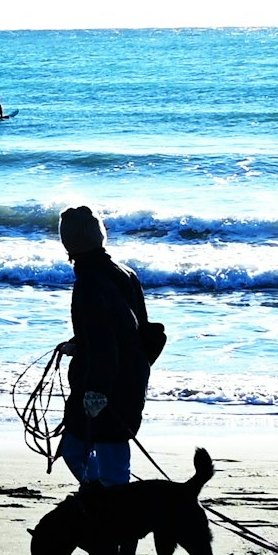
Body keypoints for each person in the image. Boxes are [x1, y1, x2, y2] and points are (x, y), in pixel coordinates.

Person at [56, 204, 159, 489]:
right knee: (91, 450)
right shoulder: (124, 272)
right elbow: (131, 330)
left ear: (68, 242)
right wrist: (78, 344)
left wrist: (97, 392)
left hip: (105, 381)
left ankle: (111, 512)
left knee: (90, 452)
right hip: (131, 374)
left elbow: (104, 341)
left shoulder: (88, 282)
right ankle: (106, 505)